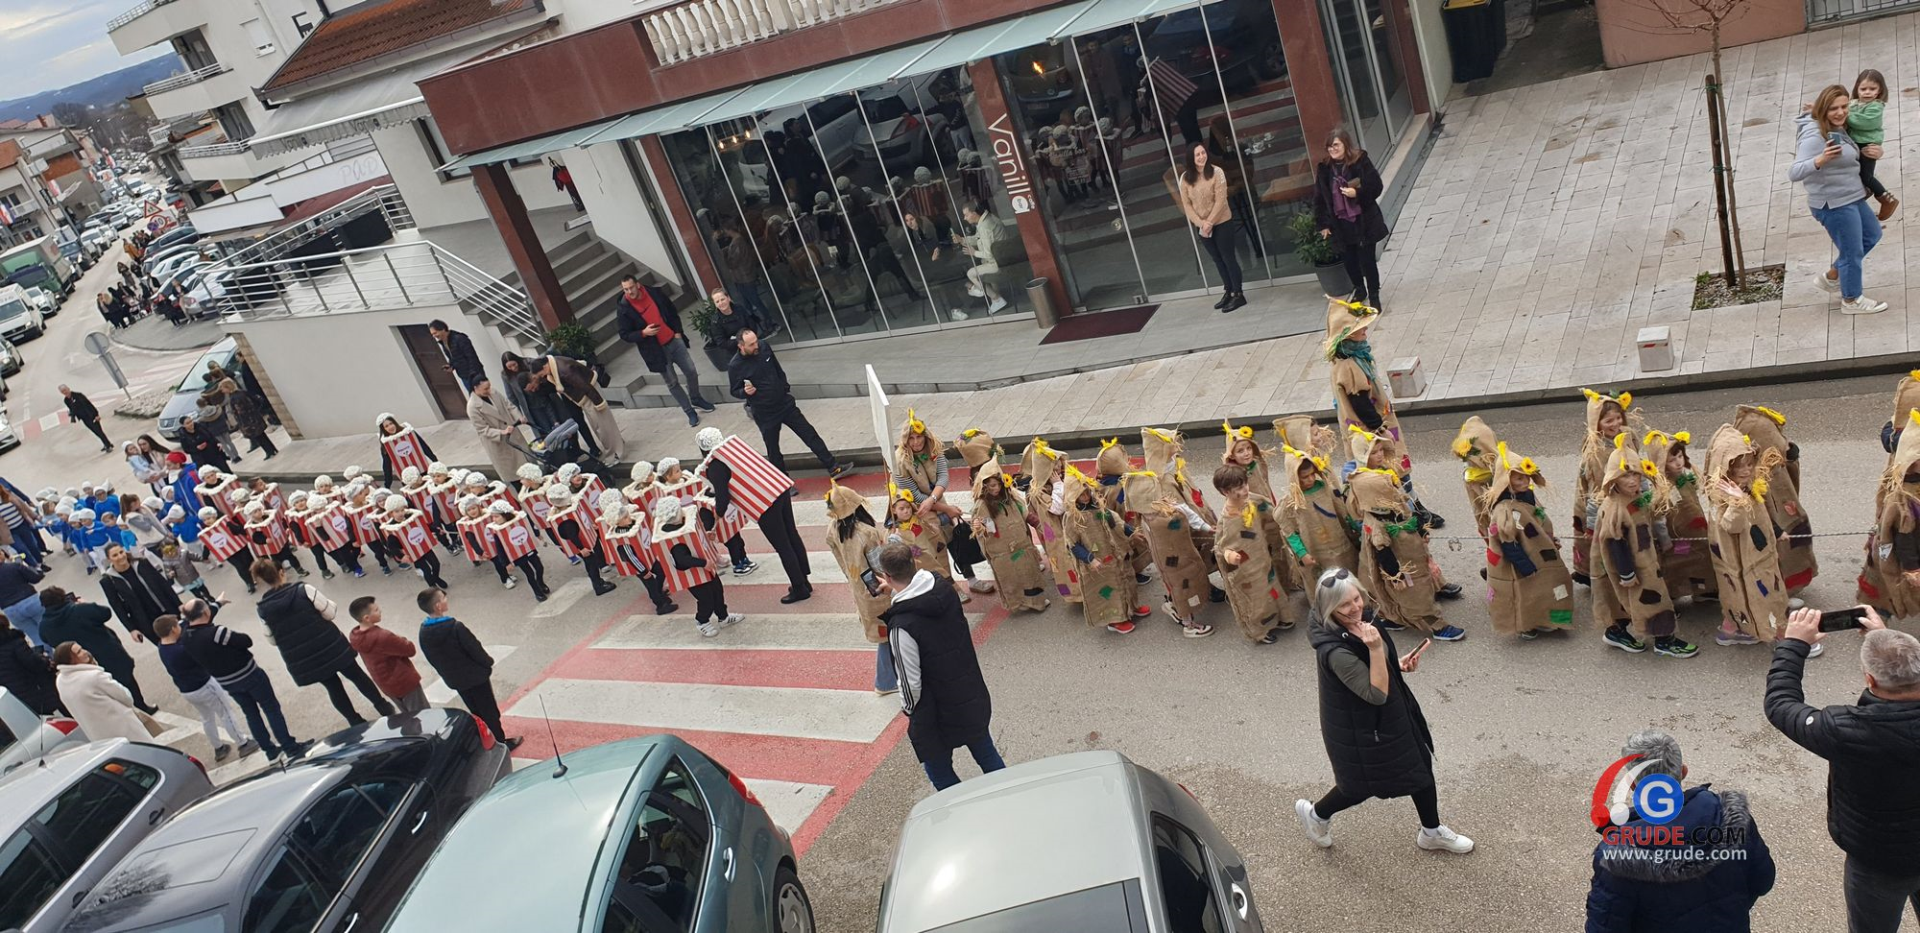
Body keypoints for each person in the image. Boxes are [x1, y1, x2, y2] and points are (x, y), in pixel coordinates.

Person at [1295, 568, 1474, 854]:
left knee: (1419, 767)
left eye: (1356, 598)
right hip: (1362, 729)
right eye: (1345, 604)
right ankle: (1316, 815)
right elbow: (1376, 694)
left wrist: (1395, 665)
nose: (1356, 607)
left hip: (1389, 717)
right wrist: (1377, 650)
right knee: (1358, 786)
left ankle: (1431, 831)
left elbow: (1375, 671)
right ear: (1330, 609)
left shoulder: (1362, 618)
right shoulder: (1335, 652)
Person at [1765, 606, 1920, 933]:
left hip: (1878, 861)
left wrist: (1793, 645)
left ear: (1869, 679)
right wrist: (1885, 639)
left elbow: (1780, 704)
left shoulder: (1844, 729)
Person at [1584, 730, 1776, 932]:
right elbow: (1763, 880)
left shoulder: (1618, 856)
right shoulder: (1731, 817)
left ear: (1632, 784)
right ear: (1683, 771)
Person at [877, 541, 1002, 790]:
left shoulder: (901, 626)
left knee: (939, 772)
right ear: (914, 563)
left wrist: (909, 709)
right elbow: (922, 604)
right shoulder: (943, 589)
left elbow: (910, 683)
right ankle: (1011, 797)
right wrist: (895, 591)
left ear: (887, 576)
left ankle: (960, 811)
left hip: (934, 711)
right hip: (968, 691)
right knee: (986, 753)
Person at [1348, 427, 1466, 641]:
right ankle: (1436, 625)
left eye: (1381, 450)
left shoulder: (1385, 480)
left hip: (1410, 545)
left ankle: (1396, 616)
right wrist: (1396, 575)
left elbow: (1406, 504)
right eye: (1374, 452)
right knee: (1413, 590)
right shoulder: (1374, 511)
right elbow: (1383, 551)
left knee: (1421, 576)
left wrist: (1420, 528)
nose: (1380, 455)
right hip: (1402, 562)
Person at [252, 560, 396, 726]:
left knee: (333, 687)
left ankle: (354, 721)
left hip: (305, 657)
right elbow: (330, 613)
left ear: (262, 579)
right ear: (281, 572)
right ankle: (383, 706)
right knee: (356, 675)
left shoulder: (262, 609)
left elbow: (271, 639)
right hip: (330, 644)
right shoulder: (303, 590)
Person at [1593, 434, 1697, 658]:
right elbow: (1615, 542)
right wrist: (1627, 573)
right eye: (1625, 475)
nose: (1632, 480)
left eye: (1635, 474)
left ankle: (1617, 631)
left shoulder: (1634, 497)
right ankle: (1664, 641)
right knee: (1654, 600)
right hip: (1634, 567)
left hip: (1646, 558)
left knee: (1630, 601)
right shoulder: (1616, 508)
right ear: (1613, 478)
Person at [1791, 85, 1886, 314]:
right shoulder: (1815, 137)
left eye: (1844, 106)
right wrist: (1820, 160)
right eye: (1834, 108)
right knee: (1852, 252)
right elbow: (1794, 172)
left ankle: (1833, 275)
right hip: (1834, 204)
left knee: (1872, 234)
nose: (1841, 112)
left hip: (1852, 196)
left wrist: (1876, 151)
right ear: (1824, 109)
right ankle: (1851, 300)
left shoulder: (1837, 127)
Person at [180, 597, 310, 761]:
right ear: (205, 612)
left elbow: (204, 618)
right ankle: (289, 746)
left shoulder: (186, 637)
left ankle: (270, 750)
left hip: (227, 682)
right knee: (271, 708)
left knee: (251, 714)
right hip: (249, 674)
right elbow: (245, 641)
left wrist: (218, 604)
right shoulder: (217, 633)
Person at [1704, 425, 1795, 649]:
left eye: (1748, 464)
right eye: (1738, 467)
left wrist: (1776, 531)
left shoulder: (1747, 486)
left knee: (1757, 593)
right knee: (1759, 596)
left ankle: (1732, 629)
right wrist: (1737, 501)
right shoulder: (1722, 496)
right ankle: (1781, 635)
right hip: (1745, 564)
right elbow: (1731, 526)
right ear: (1725, 468)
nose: (1746, 471)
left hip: (1759, 556)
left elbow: (1759, 515)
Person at [892, 412, 993, 596]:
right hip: (919, 511)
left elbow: (943, 478)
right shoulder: (900, 461)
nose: (916, 442)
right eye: (911, 438)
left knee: (955, 540)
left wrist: (935, 500)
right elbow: (914, 496)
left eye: (919, 437)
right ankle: (951, 588)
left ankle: (972, 580)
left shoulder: (934, 449)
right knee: (935, 550)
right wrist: (945, 508)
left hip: (936, 500)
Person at [1483, 442, 1575, 639]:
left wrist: (1548, 540)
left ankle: (1545, 618)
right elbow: (1508, 542)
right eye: (1519, 478)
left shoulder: (1526, 496)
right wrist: (1525, 566)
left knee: (1548, 585)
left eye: (1526, 476)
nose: (1525, 481)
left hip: (1539, 553)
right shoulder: (1504, 509)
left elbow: (1533, 522)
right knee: (1524, 593)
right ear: (1507, 481)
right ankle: (1526, 624)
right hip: (1521, 560)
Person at [728, 329, 844, 475]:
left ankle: (833, 467)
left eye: (756, 341)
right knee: (773, 449)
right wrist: (745, 392)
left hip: (784, 403)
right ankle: (782, 481)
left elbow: (777, 368)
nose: (756, 346)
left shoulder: (764, 347)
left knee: (809, 433)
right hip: (765, 412)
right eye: (751, 345)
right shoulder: (735, 366)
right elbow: (734, 390)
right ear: (741, 346)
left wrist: (785, 387)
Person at [417, 588, 520, 749]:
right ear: (438, 606)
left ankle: (486, 740)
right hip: (476, 677)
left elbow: (432, 659)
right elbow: (475, 649)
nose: (446, 600)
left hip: (456, 680)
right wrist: (487, 662)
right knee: (490, 712)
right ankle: (501, 743)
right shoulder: (455, 627)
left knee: (476, 712)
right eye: (443, 598)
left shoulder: (424, 632)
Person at [1732, 405, 1818, 595]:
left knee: (1796, 544)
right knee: (1777, 554)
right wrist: (1776, 530)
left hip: (1787, 510)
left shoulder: (1773, 466)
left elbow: (1786, 459)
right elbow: (1755, 513)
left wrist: (1791, 454)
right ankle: (1780, 593)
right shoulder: (1747, 477)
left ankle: (1793, 584)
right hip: (1771, 524)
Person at [614, 274, 715, 427]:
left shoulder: (654, 293)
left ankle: (695, 398)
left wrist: (678, 332)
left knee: (691, 371)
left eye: (631, 287)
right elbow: (624, 334)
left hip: (673, 340)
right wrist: (643, 333)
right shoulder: (624, 309)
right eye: (625, 289)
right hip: (656, 351)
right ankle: (689, 411)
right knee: (672, 382)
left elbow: (671, 311)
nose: (629, 292)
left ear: (638, 285)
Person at [38, 585, 156, 713]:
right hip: (108, 652)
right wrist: (85, 604)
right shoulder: (79, 610)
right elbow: (105, 613)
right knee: (127, 682)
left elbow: (46, 639)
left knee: (102, 690)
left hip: (80, 663)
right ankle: (141, 708)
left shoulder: (44, 626)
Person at [152, 614, 252, 761]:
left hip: (187, 691)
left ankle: (218, 747)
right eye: (177, 626)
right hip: (204, 686)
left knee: (207, 718)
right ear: (173, 629)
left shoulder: (163, 647)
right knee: (226, 713)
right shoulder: (182, 651)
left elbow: (183, 627)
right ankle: (243, 743)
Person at [1210, 463, 1288, 643]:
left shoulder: (1253, 500)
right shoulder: (1229, 519)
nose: (1245, 489)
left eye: (1245, 484)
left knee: (1272, 589)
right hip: (1247, 568)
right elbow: (1222, 545)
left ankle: (1282, 616)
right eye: (1239, 488)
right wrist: (1230, 556)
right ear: (1225, 492)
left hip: (1262, 557)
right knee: (1257, 599)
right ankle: (1260, 631)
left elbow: (1271, 512)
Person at [1314, 127, 1390, 309]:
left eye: (1336, 145)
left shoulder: (1360, 161)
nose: (1332, 149)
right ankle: (1360, 290)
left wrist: (1357, 193)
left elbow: (1376, 186)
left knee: (1367, 260)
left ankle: (1374, 295)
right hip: (1340, 223)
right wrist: (1323, 224)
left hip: (1363, 221)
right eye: (1329, 147)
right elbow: (1319, 198)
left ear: (1345, 144)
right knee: (1349, 261)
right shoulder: (1325, 169)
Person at [1575, 388, 1639, 586]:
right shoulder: (1596, 451)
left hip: (1629, 489)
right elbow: (1596, 491)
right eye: (1608, 421)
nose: (1615, 424)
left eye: (1618, 418)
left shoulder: (1628, 435)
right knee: (1611, 541)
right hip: (1605, 500)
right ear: (1597, 423)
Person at [1177, 142, 1246, 313]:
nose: (1202, 157)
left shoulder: (1217, 172)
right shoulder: (1185, 178)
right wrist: (1202, 224)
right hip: (1202, 226)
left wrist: (1209, 222)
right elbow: (1187, 205)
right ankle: (1228, 291)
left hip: (1222, 222)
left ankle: (1238, 294)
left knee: (1228, 258)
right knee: (1217, 259)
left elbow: (1221, 200)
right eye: (1197, 155)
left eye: (1203, 153)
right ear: (1191, 158)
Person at [53, 642, 152, 742]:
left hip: (99, 736)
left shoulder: (61, 681)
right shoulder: (94, 677)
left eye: (81, 648)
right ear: (70, 660)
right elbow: (126, 697)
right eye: (79, 652)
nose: (84, 652)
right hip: (123, 727)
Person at [348, 596, 429, 715]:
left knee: (408, 716)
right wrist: (401, 638)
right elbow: (410, 650)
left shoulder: (355, 637)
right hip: (404, 682)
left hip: (386, 685)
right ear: (366, 618)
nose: (380, 611)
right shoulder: (383, 637)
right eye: (376, 610)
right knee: (423, 715)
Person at [99, 543, 181, 643]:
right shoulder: (108, 581)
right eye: (115, 555)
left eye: (121, 552)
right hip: (146, 622)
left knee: (184, 639)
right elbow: (118, 607)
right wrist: (131, 629)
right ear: (109, 559)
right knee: (167, 647)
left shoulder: (142, 563)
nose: (120, 556)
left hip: (167, 609)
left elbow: (163, 584)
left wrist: (179, 604)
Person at [1850, 69, 1897, 221]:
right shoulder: (1853, 104)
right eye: (1863, 89)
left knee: (1866, 175)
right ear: (1857, 89)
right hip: (1856, 142)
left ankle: (1886, 198)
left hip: (1867, 143)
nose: (1867, 92)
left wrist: (1846, 116)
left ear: (1879, 91)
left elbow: (1864, 123)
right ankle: (1865, 190)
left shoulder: (1876, 106)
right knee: (1855, 172)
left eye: (1872, 89)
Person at [466, 377, 529, 479]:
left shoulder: (494, 392)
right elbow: (482, 429)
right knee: (513, 472)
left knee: (527, 464)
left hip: (512, 433)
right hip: (498, 441)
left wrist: (519, 417)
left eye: (489, 387)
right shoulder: (472, 407)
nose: (488, 390)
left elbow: (509, 406)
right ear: (475, 388)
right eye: (485, 389)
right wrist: (502, 432)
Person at [953, 201, 1009, 314]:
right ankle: (993, 298)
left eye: (966, 215)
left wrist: (974, 253)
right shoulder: (988, 219)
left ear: (974, 213)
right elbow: (978, 238)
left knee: (971, 273)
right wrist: (962, 240)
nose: (964, 218)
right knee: (981, 271)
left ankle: (991, 296)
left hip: (997, 263)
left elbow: (989, 254)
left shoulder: (985, 227)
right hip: (1005, 259)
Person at [0, 613, 59, 715]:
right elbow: (34, 662)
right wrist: (46, 661)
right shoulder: (14, 642)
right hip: (35, 688)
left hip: (15, 697)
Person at [219, 377, 276, 459]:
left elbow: (240, 411)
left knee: (259, 437)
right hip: (254, 417)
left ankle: (269, 451)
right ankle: (272, 449)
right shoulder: (242, 392)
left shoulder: (234, 397)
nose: (222, 391)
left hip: (248, 421)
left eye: (223, 388)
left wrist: (242, 423)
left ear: (228, 387)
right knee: (262, 435)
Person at [429, 319, 487, 392]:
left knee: (483, 394)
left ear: (443, 329)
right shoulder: (443, 342)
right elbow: (454, 357)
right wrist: (451, 366)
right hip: (463, 374)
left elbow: (472, 357)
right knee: (475, 396)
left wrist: (473, 374)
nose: (434, 336)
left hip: (474, 373)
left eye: (435, 333)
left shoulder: (459, 338)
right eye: (432, 334)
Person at [0, 556, 45, 646]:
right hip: (30, 600)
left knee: (36, 637)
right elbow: (35, 577)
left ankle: (46, 653)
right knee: (48, 629)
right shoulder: (14, 566)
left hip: (10, 610)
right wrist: (29, 567)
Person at [60, 385, 112, 453]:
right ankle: (107, 443)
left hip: (91, 415)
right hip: (84, 418)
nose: (65, 392)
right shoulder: (66, 400)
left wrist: (96, 414)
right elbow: (72, 409)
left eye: (65, 390)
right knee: (95, 432)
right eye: (63, 391)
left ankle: (108, 446)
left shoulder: (78, 395)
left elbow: (89, 404)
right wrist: (72, 415)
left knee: (98, 431)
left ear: (68, 389)